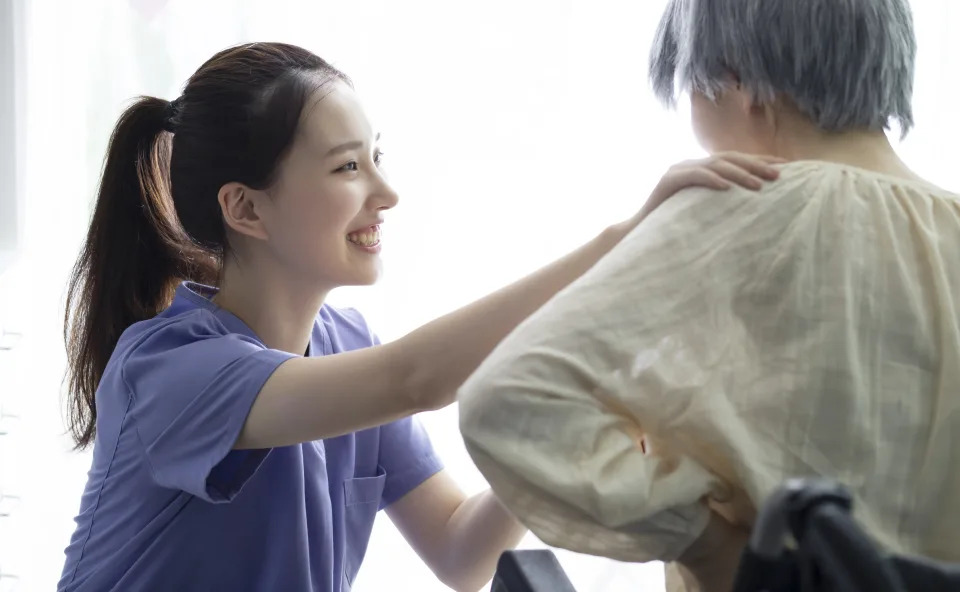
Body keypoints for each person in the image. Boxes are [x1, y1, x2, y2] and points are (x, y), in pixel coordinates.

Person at [57, 42, 779, 592]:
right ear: (245, 208)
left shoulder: (345, 346)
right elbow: (415, 379)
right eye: (347, 168)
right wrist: (619, 245)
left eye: (376, 157)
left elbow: (464, 551)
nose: (386, 192)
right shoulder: (171, 369)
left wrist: (596, 419)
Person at [457, 0, 960, 591]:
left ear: (737, 80)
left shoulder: (741, 203)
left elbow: (507, 404)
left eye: (691, 87)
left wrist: (708, 545)